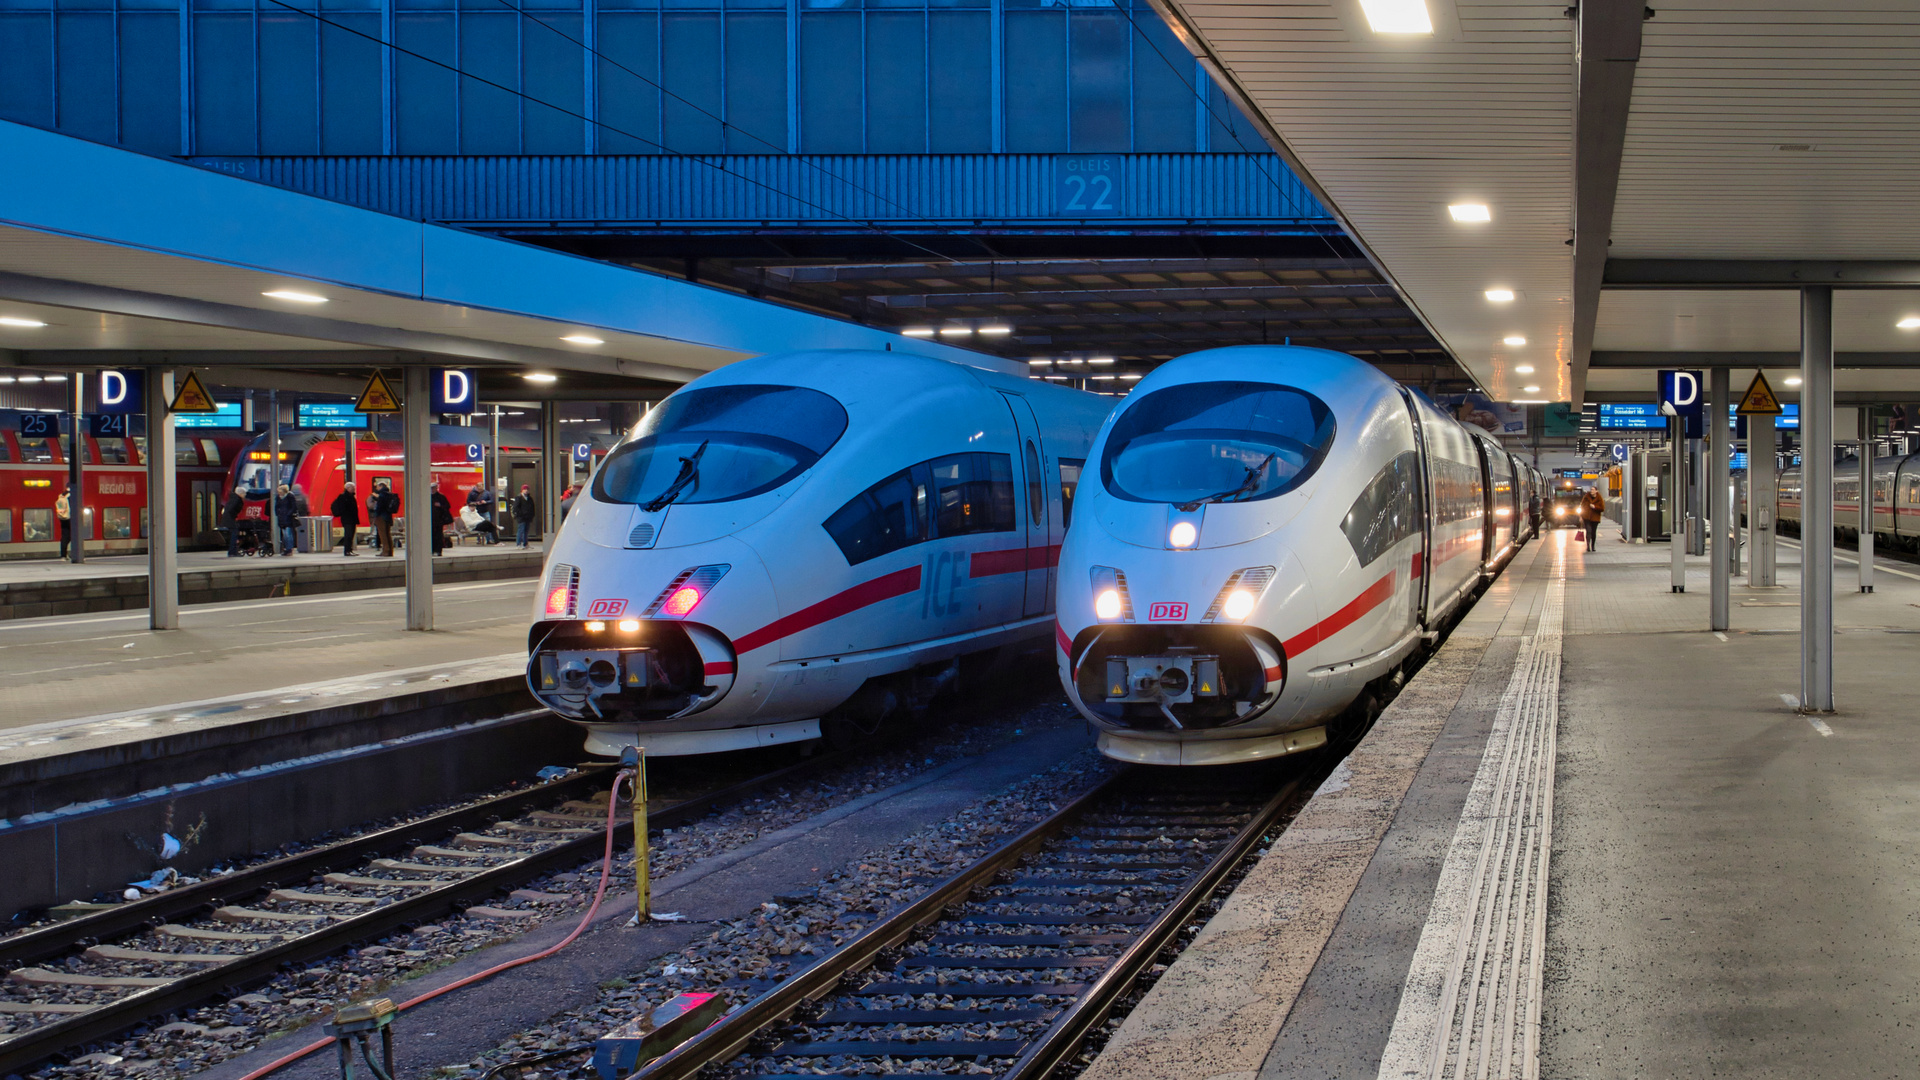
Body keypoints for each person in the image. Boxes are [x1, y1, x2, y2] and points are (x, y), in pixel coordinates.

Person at [331, 481, 361, 557]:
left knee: (351, 535)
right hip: (347, 519)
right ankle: (347, 551)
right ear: (347, 488)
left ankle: (350, 550)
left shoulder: (351, 496)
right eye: (352, 488)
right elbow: (342, 508)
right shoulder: (343, 496)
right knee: (348, 535)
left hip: (352, 519)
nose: (354, 489)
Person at [370, 481, 398, 557]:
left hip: (381, 517)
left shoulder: (382, 495)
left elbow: (380, 507)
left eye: (377, 486)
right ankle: (390, 551)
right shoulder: (388, 494)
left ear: (381, 486)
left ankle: (385, 551)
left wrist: (376, 514)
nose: (377, 488)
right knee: (387, 534)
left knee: (383, 535)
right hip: (388, 517)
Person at [274, 483, 298, 556]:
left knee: (288, 534)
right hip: (281, 518)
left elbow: (294, 507)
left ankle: (289, 549)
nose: (279, 493)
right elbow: (276, 506)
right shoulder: (278, 497)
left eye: (280, 492)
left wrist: (288, 514)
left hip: (288, 518)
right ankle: (286, 548)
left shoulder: (290, 496)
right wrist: (277, 513)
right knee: (285, 535)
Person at [430, 481, 454, 556]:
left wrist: (440, 505)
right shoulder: (427, 496)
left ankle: (438, 550)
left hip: (439, 520)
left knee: (438, 535)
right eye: (431, 488)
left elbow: (447, 506)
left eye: (433, 488)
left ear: (436, 488)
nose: (432, 490)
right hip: (430, 520)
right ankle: (431, 550)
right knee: (431, 535)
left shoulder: (441, 497)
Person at [223, 485, 247, 558]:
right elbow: (231, 510)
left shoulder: (233, 498)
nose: (245, 495)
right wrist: (234, 517)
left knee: (234, 534)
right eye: (244, 493)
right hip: (230, 519)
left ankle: (232, 551)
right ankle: (233, 552)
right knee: (234, 534)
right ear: (240, 493)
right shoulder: (237, 500)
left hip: (228, 519)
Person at [1579, 486, 1605, 552]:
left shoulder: (1599, 498)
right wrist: (1581, 516)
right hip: (1586, 517)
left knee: (1593, 532)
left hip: (1595, 518)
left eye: (1593, 490)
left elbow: (1602, 508)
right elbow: (1582, 506)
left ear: (1596, 491)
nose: (1591, 491)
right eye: (1591, 489)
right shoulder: (1586, 497)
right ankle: (1588, 546)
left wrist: (1595, 507)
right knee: (1588, 531)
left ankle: (1593, 546)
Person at [55, 485, 72, 559]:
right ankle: (77, 554)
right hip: (70, 518)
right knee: (74, 536)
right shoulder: (71, 495)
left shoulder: (61, 496)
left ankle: (63, 555)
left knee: (65, 536)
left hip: (62, 518)